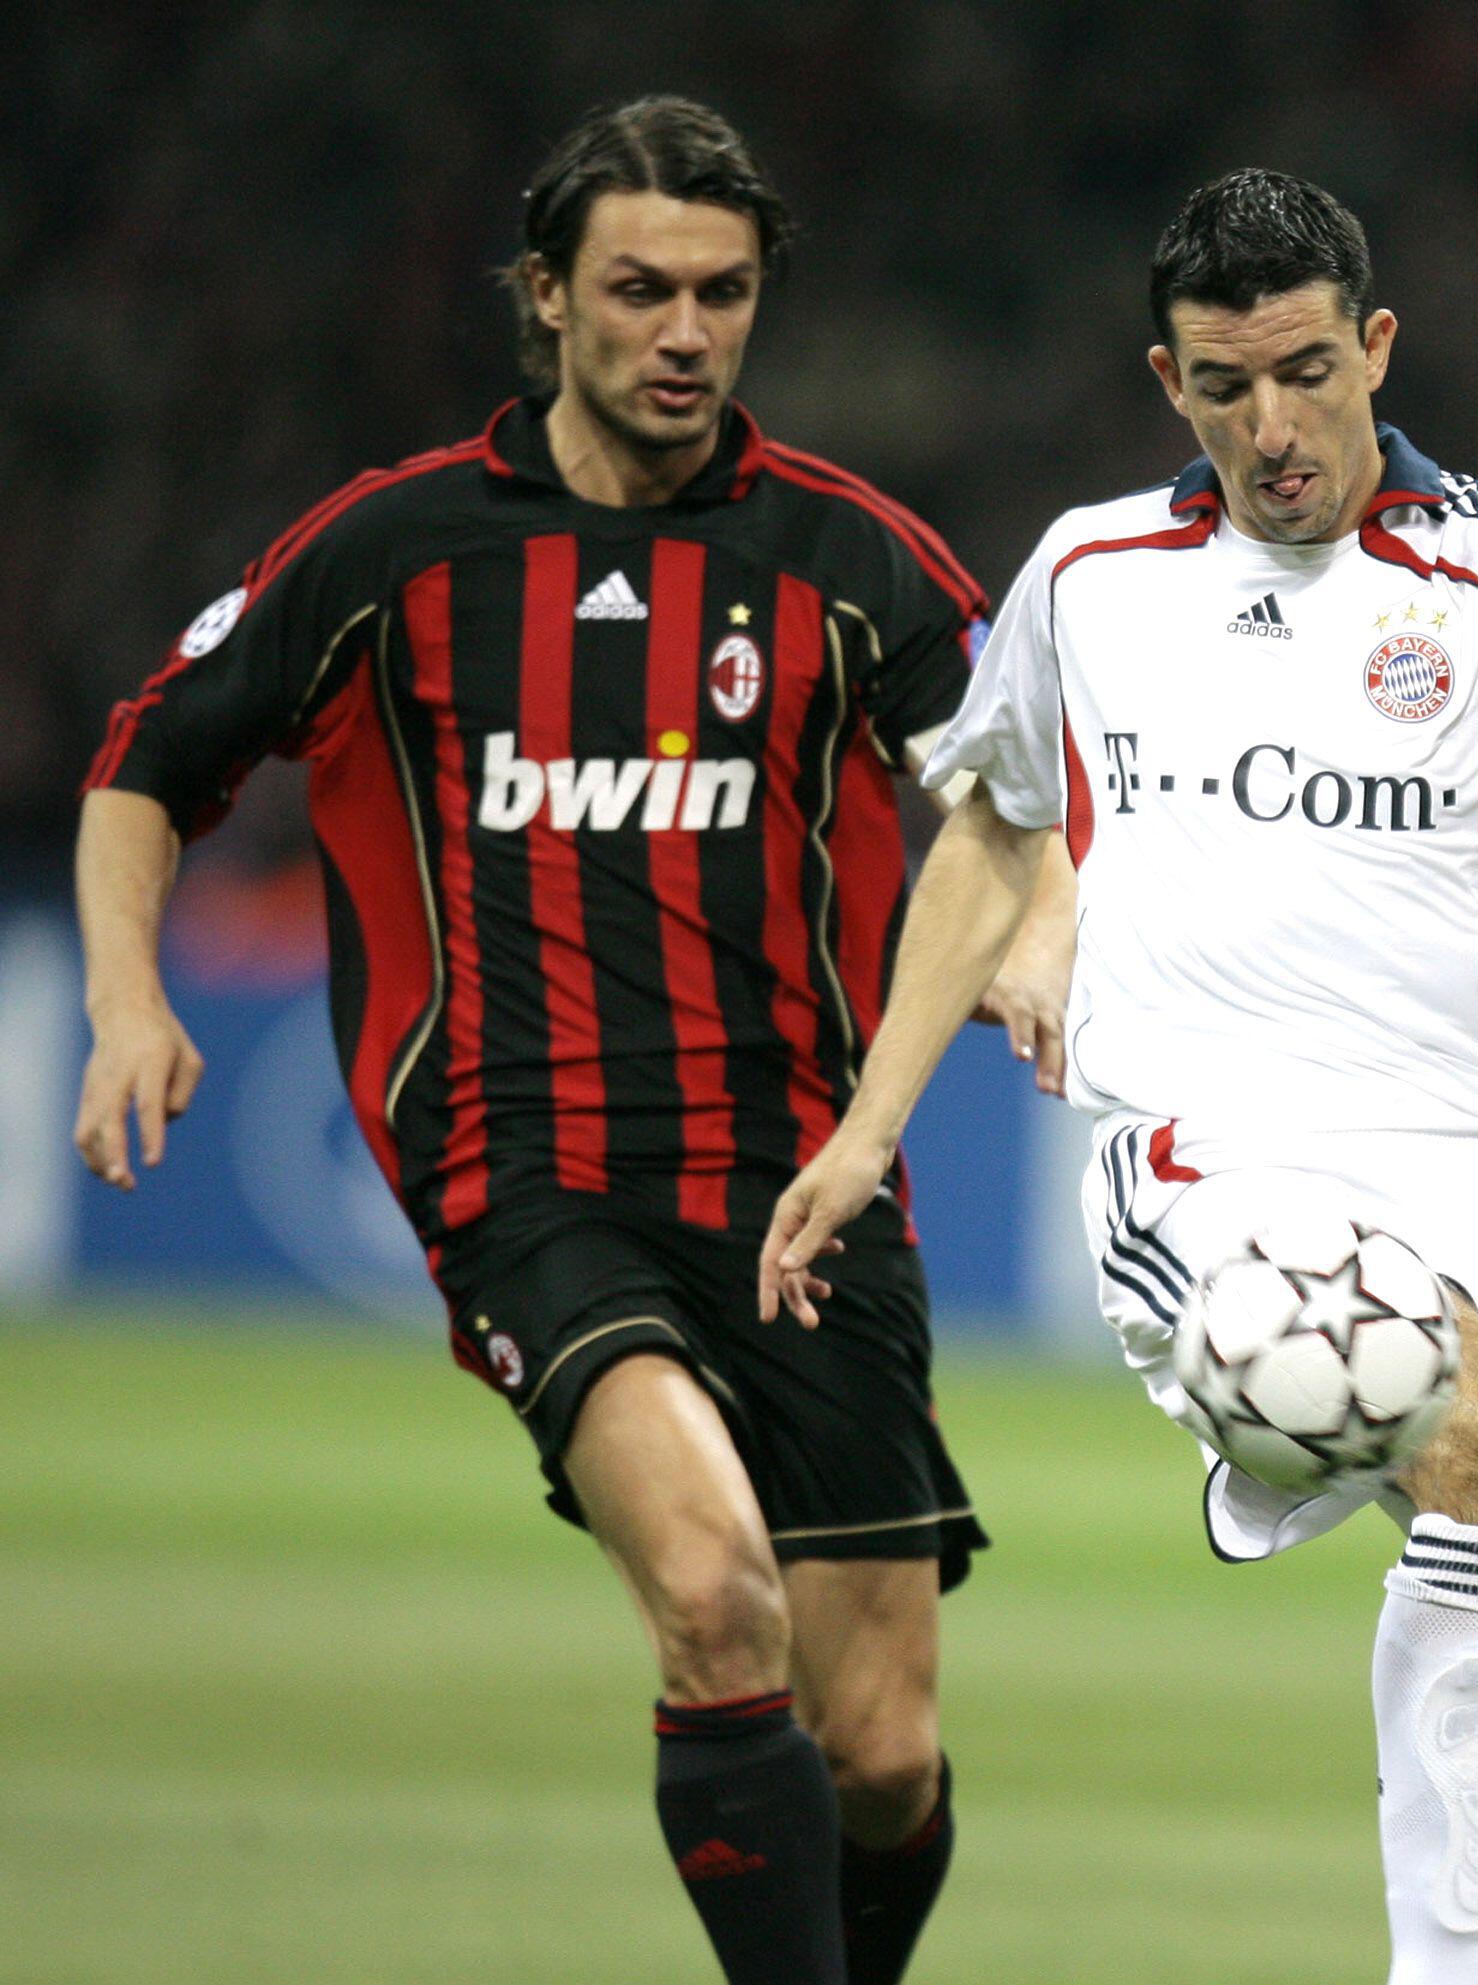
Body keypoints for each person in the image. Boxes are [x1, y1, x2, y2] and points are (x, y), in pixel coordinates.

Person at [759, 167, 1478, 1983]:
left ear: (1375, 345)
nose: (1269, 427)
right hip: (1204, 1152)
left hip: (1465, 1166)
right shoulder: (1093, 572)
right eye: (1222, 384)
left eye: (1302, 370)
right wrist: (868, 1128)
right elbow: (990, 828)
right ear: (1168, 380)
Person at [73, 96, 1051, 1985]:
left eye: (723, 292)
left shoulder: (848, 557)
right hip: (528, 1180)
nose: (684, 330)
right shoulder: (399, 549)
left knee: (880, 1752)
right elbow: (150, 761)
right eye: (639, 289)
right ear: (547, 297)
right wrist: (127, 991)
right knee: (711, 1593)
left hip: (807, 1194)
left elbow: (1035, 796)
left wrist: (1040, 940)